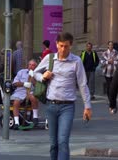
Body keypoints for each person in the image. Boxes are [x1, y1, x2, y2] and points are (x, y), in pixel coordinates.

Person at [33, 32, 92, 160]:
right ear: (56, 44)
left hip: (67, 107)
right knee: (54, 144)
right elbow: (34, 73)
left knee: (63, 141)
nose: (63, 49)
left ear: (70, 45)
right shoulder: (49, 59)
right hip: (51, 105)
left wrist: (87, 106)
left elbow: (83, 84)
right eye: (60, 46)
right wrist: (43, 76)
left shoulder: (76, 61)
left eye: (66, 46)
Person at [11, 59, 39, 129]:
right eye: (30, 64)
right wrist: (24, 84)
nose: (31, 66)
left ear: (36, 66)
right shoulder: (21, 72)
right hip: (20, 91)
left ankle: (35, 117)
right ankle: (16, 122)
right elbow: (15, 83)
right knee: (16, 102)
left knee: (33, 98)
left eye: (33, 65)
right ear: (27, 65)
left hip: (31, 91)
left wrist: (33, 77)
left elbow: (37, 85)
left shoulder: (37, 74)